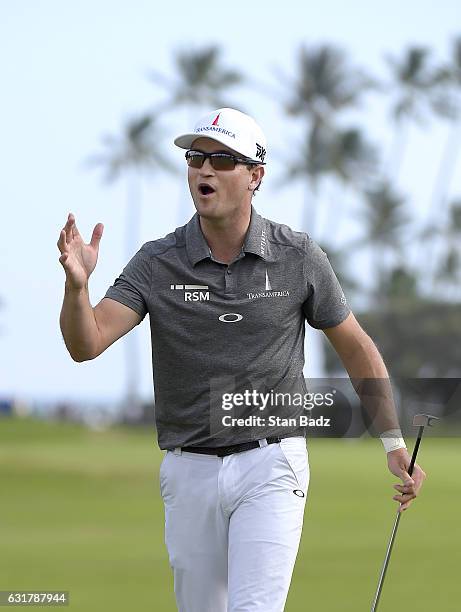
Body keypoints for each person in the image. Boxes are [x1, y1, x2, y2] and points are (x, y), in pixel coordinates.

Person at [57, 107, 426, 612]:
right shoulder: (156, 260)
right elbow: (87, 342)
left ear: (255, 176)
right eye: (197, 157)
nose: (205, 170)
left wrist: (392, 440)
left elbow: (357, 347)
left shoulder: (297, 256)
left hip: (272, 462)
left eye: (223, 160)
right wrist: (77, 288)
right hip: (188, 468)